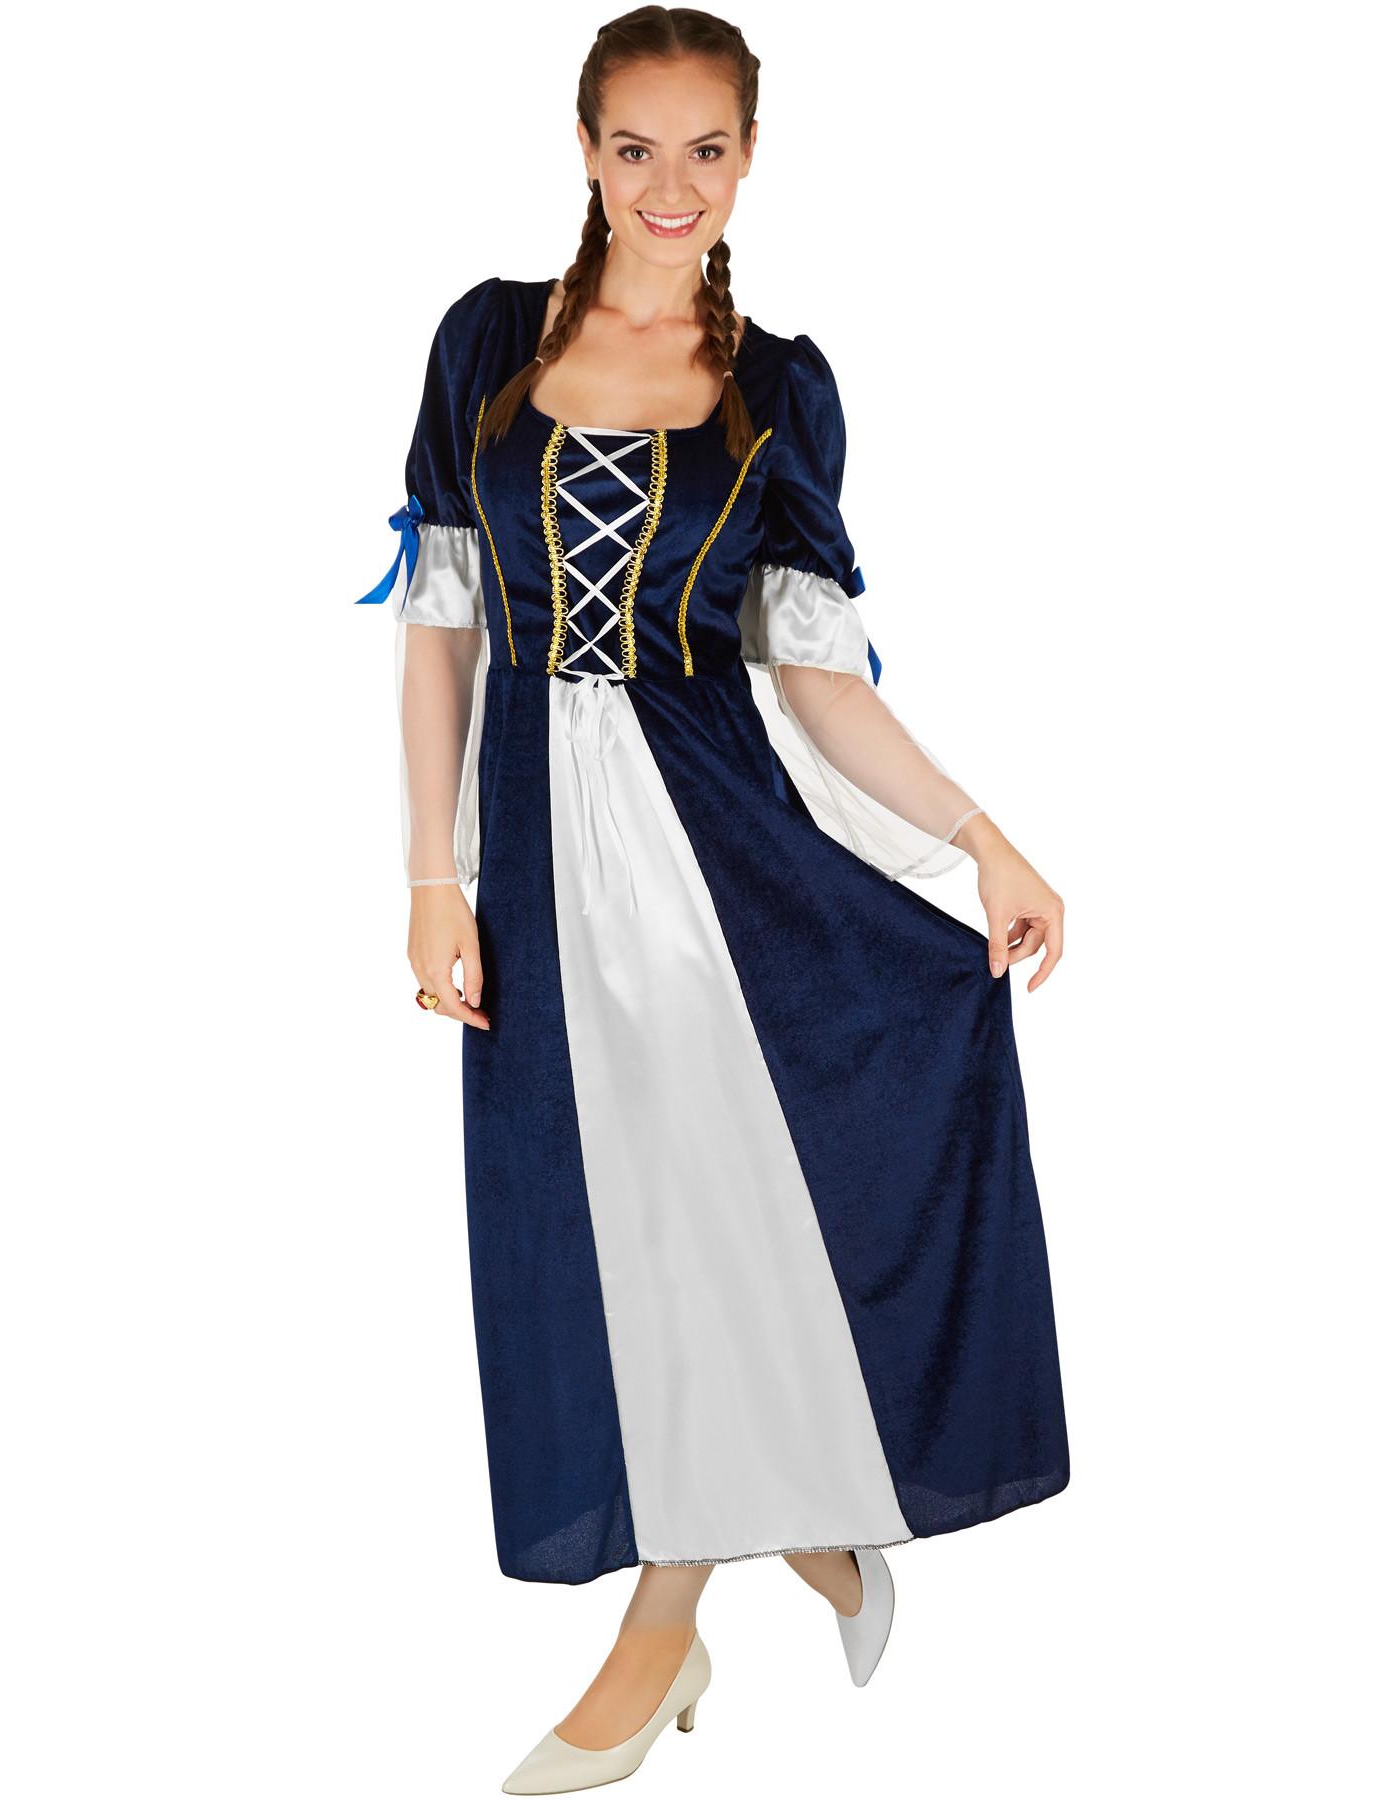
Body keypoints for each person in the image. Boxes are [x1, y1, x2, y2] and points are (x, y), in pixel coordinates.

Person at [353, 9, 1069, 1792]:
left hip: (725, 860)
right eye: (635, 149)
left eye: (706, 151)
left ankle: (663, 1622)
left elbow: (815, 678)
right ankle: (796, 1520)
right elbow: (441, 628)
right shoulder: (486, 345)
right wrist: (432, 874)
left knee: (711, 1204)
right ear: (584, 153)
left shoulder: (778, 390)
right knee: (604, 1224)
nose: (670, 186)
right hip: (541, 868)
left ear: (750, 159)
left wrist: (984, 835)